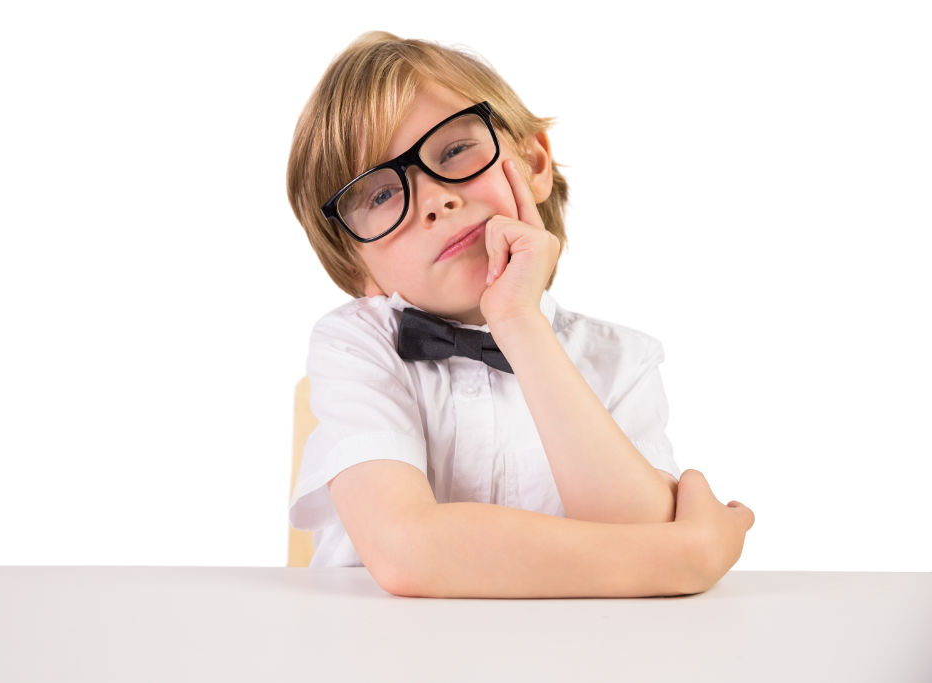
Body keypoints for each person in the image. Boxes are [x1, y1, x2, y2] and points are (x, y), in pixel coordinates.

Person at [286, 31, 754, 598]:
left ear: (533, 162)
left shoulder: (623, 362)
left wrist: (518, 323)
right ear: (358, 267)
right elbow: (406, 550)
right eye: (381, 195)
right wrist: (687, 557)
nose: (435, 199)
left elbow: (637, 542)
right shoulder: (355, 345)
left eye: (455, 151)